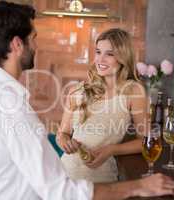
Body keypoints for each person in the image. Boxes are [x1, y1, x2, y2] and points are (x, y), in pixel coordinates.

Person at [0, 1, 174, 200]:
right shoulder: (10, 108)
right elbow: (60, 191)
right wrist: (139, 186)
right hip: (72, 180)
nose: (37, 45)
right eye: (33, 38)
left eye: (109, 53)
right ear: (17, 44)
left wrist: (111, 150)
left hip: (93, 177)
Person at [57, 28, 149, 183]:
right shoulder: (77, 90)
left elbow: (146, 141)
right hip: (65, 175)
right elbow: (63, 133)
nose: (101, 59)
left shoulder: (133, 91)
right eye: (98, 52)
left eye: (109, 54)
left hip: (102, 179)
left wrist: (112, 150)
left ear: (123, 57)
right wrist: (66, 142)